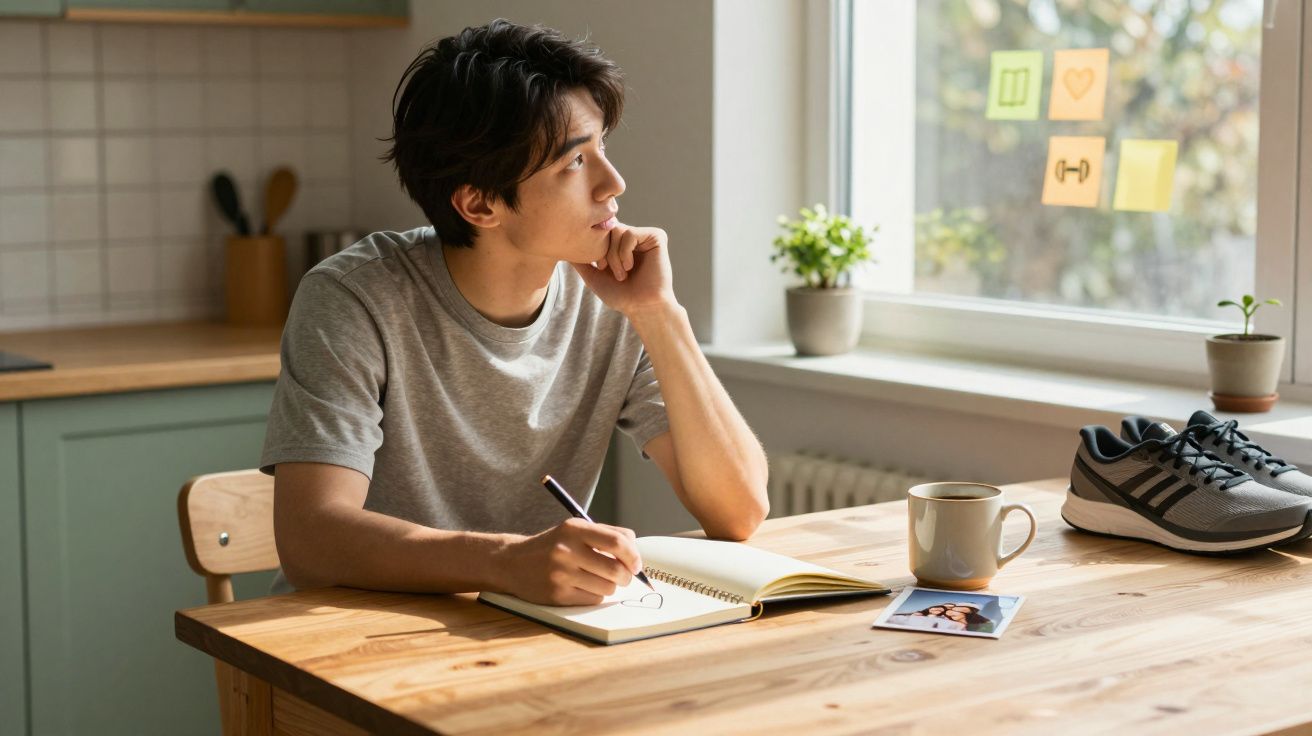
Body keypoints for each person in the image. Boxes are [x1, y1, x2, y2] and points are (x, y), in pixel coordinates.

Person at [259, 19, 769, 605]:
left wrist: (661, 315)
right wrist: (502, 561)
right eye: (575, 163)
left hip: (522, 632)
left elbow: (740, 512)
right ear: (479, 203)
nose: (614, 183)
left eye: (603, 147)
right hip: (355, 635)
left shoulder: (612, 300)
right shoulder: (354, 298)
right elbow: (312, 541)